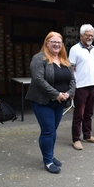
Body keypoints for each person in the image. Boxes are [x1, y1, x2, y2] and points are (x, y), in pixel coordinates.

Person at [25, 31, 76, 173]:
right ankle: (47, 161)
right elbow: (39, 80)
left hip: (59, 102)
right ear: (46, 43)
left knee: (53, 130)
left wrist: (69, 93)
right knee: (47, 131)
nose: (56, 44)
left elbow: (72, 79)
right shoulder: (39, 59)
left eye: (59, 42)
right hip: (43, 101)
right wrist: (56, 94)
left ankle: (50, 155)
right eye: (53, 41)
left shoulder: (64, 59)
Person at [69, 24, 94, 151]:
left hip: (92, 85)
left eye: (92, 35)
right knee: (79, 114)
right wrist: (72, 88)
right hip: (80, 86)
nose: (90, 37)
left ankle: (87, 135)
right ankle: (76, 139)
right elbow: (71, 70)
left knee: (89, 113)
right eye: (87, 35)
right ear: (81, 36)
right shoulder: (74, 49)